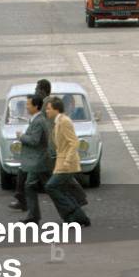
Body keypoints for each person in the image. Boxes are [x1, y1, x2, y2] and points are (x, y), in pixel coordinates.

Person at [44, 95, 90, 227]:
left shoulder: (64, 121)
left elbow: (74, 142)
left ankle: (73, 214)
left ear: (56, 110)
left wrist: (67, 161)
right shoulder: (58, 122)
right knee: (62, 190)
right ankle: (75, 218)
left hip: (66, 164)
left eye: (48, 109)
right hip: (61, 162)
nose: (46, 111)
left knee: (51, 186)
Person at [10, 78, 51, 211]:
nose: (35, 91)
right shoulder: (44, 104)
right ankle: (22, 199)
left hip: (41, 152)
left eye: (36, 89)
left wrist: (22, 137)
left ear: (43, 91)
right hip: (40, 152)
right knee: (51, 180)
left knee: (54, 183)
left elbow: (38, 134)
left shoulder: (45, 106)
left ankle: (73, 203)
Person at [18, 94, 54, 226]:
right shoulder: (36, 119)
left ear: (36, 106)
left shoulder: (38, 121)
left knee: (32, 186)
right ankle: (34, 215)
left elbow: (34, 140)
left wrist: (21, 137)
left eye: (28, 104)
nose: (26, 107)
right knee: (51, 187)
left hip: (39, 161)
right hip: (40, 161)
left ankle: (73, 209)